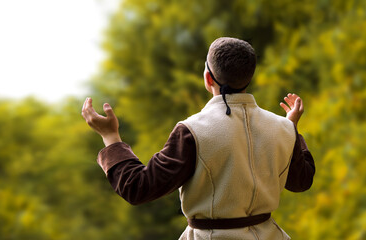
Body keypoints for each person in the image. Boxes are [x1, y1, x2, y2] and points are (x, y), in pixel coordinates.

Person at [81, 37, 315, 240]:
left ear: (207, 77)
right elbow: (301, 181)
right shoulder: (283, 128)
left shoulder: (192, 131)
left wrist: (110, 136)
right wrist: (290, 128)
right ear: (249, 77)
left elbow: (138, 188)